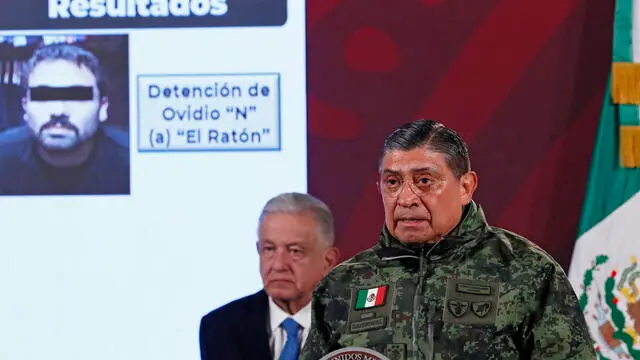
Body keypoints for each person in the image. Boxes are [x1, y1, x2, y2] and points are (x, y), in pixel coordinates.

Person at [300, 119, 596, 360]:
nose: (405, 198)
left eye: (424, 181)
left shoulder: (529, 272)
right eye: (393, 182)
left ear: (466, 186)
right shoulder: (342, 285)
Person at [199, 192, 340, 360]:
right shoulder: (220, 328)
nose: (278, 265)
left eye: (295, 251)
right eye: (269, 249)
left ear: (328, 261)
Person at [0, 43, 129, 195]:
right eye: (43, 97)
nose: (58, 111)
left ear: (102, 107)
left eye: (77, 97)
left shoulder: (134, 162)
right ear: (25, 107)